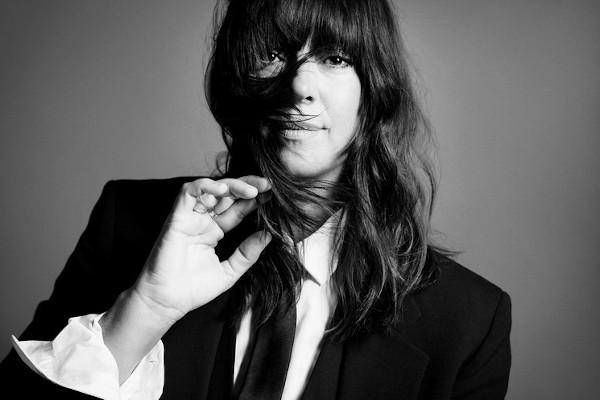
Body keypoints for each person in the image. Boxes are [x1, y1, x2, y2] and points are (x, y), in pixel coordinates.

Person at [0, 0, 512, 399]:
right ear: (236, 77)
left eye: (336, 58)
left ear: (375, 88)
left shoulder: (467, 319)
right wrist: (146, 308)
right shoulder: (129, 223)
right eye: (272, 54)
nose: (300, 86)